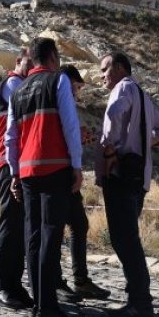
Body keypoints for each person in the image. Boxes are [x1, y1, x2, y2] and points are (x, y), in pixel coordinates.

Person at [4, 37, 82, 317]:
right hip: (54, 168)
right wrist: (76, 164)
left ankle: (38, 303)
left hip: (26, 173)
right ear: (52, 57)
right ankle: (48, 305)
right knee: (51, 234)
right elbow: (70, 125)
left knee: (33, 237)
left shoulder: (18, 90)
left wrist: (14, 172)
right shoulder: (58, 82)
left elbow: (10, 138)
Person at [96, 51, 159, 317]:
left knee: (124, 239)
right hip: (139, 178)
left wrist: (110, 149)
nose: (101, 76)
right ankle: (137, 298)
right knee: (128, 237)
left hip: (119, 175)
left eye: (104, 69)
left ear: (118, 67)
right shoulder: (144, 96)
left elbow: (114, 116)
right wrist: (141, 142)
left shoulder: (122, 89)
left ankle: (140, 303)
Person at [54, 65, 110, 300]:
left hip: (64, 169)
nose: (79, 92)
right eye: (77, 86)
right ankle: (57, 282)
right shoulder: (59, 95)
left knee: (77, 224)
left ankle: (79, 280)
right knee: (58, 228)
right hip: (60, 171)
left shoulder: (61, 97)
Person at [0, 50, 36, 309]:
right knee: (10, 220)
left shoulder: (20, 84)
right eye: (29, 63)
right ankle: (1, 286)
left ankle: (13, 284)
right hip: (8, 162)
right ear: (18, 62)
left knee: (18, 223)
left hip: (15, 162)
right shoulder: (13, 84)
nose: (31, 68)